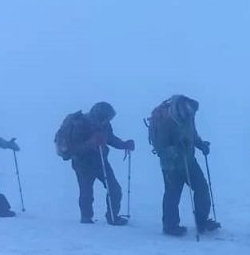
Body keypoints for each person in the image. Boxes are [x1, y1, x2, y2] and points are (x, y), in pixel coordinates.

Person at [148, 95, 218, 236]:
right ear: (182, 108)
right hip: (171, 166)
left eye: (193, 113)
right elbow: (160, 147)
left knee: (202, 188)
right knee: (173, 195)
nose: (191, 115)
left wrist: (200, 144)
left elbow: (192, 135)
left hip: (189, 161)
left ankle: (202, 222)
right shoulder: (167, 122)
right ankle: (170, 226)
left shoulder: (189, 117)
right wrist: (176, 149)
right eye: (190, 113)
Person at [63, 102, 133, 225]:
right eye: (107, 117)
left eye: (109, 118)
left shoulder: (104, 124)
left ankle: (112, 216)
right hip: (83, 163)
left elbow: (110, 138)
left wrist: (123, 144)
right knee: (86, 192)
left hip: (101, 161)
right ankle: (86, 218)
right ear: (100, 115)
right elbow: (75, 149)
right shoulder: (81, 124)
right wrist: (92, 143)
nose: (108, 120)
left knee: (114, 188)